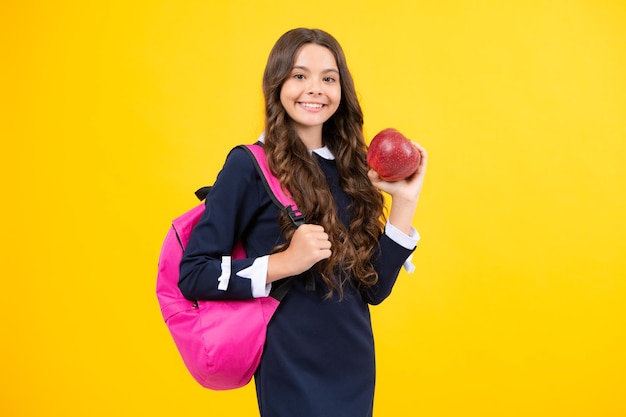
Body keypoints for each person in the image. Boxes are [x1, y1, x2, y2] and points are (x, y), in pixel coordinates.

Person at [179, 28, 427, 417]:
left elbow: (373, 290)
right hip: (288, 362)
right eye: (299, 76)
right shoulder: (249, 166)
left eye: (328, 78)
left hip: (354, 364)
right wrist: (284, 264)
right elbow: (194, 273)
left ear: (341, 90)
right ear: (277, 83)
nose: (315, 88)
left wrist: (404, 203)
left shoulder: (353, 170)